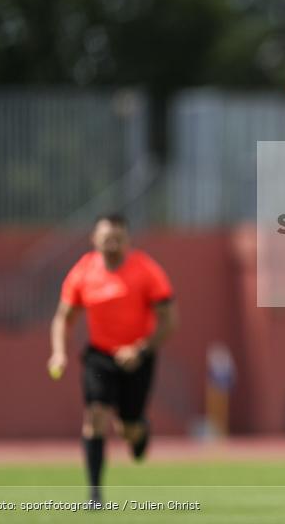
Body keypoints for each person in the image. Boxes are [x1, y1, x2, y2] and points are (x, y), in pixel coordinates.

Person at [47, 214, 178, 507]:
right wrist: (59, 352)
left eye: (118, 239)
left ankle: (139, 431)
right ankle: (95, 494)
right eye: (106, 239)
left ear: (128, 241)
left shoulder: (146, 270)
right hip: (100, 356)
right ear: (95, 240)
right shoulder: (83, 272)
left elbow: (169, 321)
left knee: (127, 429)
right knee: (95, 417)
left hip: (138, 357)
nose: (112, 245)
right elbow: (63, 318)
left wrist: (141, 350)